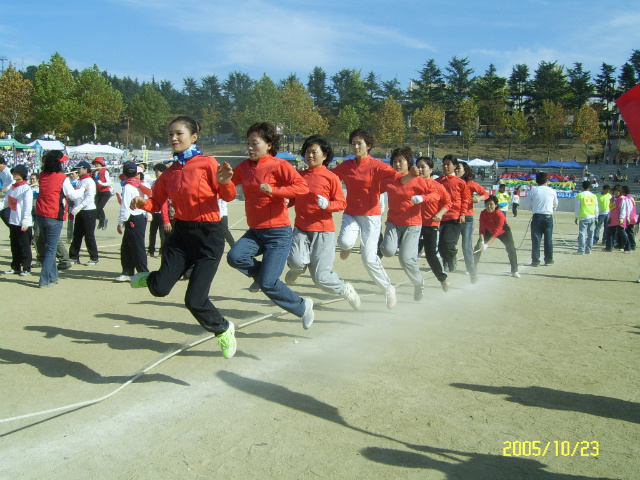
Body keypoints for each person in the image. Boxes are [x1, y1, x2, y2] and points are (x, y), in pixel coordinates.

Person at [129, 115, 237, 359]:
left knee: (194, 299)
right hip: (182, 234)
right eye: (170, 134)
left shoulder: (208, 163)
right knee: (159, 289)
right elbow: (156, 202)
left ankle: (223, 329)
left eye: (179, 133)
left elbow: (228, 196)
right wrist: (142, 203)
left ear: (194, 137)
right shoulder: (169, 173)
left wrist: (226, 182)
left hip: (209, 237)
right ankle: (153, 279)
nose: (173, 138)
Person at [227, 122, 315, 328]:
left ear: (269, 144)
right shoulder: (244, 167)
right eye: (247, 143)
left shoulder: (279, 165)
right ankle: (261, 274)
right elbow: (229, 187)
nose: (249, 147)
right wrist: (223, 181)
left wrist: (275, 191)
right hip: (256, 231)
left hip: (278, 233)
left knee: (268, 284)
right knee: (235, 257)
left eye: (254, 143)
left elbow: (302, 188)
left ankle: (302, 306)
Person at [331, 129, 409, 309]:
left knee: (369, 259)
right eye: (353, 143)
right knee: (343, 242)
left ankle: (388, 288)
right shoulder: (346, 165)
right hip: (351, 213)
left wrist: (411, 176)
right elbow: (329, 177)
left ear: (369, 146)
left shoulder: (377, 166)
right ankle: (346, 248)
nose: (356, 146)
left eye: (360, 143)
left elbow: (398, 179)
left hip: (371, 217)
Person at [284, 135, 360, 309]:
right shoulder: (298, 176)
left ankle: (344, 289)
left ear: (325, 155)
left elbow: (341, 203)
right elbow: (295, 197)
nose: (310, 155)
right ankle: (296, 271)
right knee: (295, 262)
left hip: (323, 230)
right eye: (307, 152)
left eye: (314, 152)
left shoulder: (331, 177)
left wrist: (328, 205)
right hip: (302, 228)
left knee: (320, 278)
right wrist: (288, 201)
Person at [380, 147, 437, 301]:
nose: (398, 164)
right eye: (395, 161)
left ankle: (419, 283)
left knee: (405, 258)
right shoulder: (389, 179)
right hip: (393, 222)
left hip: (412, 224)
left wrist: (422, 198)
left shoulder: (417, 180)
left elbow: (435, 194)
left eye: (401, 161)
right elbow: (373, 190)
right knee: (387, 251)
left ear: (409, 163)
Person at [35, 150, 86, 288]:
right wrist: (83, 189)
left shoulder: (42, 175)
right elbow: (72, 195)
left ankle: (53, 276)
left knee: (49, 247)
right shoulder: (61, 178)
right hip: (53, 215)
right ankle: (44, 280)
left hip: (41, 215)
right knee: (51, 249)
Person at [416, 157, 451, 291]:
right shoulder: (413, 183)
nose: (419, 169)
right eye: (417, 166)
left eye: (422, 167)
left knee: (431, 254)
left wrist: (440, 213)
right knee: (410, 255)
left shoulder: (437, 186)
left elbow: (448, 203)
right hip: (414, 224)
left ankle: (442, 278)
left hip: (431, 224)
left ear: (430, 169)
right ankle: (418, 282)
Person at [116, 162, 151, 282]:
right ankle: (127, 270)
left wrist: (120, 222)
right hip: (140, 217)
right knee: (127, 245)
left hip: (133, 217)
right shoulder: (141, 184)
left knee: (137, 246)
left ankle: (143, 272)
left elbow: (125, 206)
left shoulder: (128, 186)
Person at [454, 160, 488, 283]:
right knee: (449, 244)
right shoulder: (450, 183)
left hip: (467, 218)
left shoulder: (471, 184)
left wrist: (478, 198)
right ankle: (449, 263)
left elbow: (486, 194)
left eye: (459, 168)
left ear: (465, 171)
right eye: (455, 168)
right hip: (452, 218)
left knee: (466, 247)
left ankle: (472, 271)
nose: (456, 170)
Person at [435, 155, 470, 274]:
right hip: (439, 217)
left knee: (448, 243)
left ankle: (451, 257)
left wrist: (462, 214)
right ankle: (446, 262)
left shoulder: (460, 183)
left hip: (454, 217)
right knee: (440, 245)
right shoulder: (437, 182)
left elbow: (465, 200)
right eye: (444, 164)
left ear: (454, 166)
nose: (445, 166)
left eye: (448, 164)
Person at [474, 195, 520, 278]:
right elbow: (481, 229)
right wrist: (482, 241)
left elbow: (497, 232)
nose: (489, 206)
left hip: (503, 231)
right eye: (487, 204)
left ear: (496, 205)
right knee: (478, 247)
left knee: (511, 249)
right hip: (488, 230)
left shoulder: (500, 214)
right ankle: (472, 267)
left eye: (491, 204)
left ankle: (514, 270)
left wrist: (487, 245)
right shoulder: (483, 213)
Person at [2, 164, 33, 276]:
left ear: (22, 174)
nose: (14, 174)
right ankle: (15, 267)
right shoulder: (13, 187)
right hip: (13, 221)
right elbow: (5, 202)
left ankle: (26, 267)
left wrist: (25, 219)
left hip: (24, 222)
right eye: (14, 172)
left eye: (17, 172)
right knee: (14, 245)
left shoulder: (26, 189)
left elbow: (27, 206)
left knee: (24, 246)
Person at [67, 161, 99, 266]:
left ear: (85, 169)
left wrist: (80, 206)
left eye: (79, 169)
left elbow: (90, 197)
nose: (77, 171)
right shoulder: (80, 181)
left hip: (88, 211)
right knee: (77, 234)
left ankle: (94, 258)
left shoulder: (89, 181)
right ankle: (73, 256)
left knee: (89, 235)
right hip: (80, 211)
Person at [527, 172, 558, 266]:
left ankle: (535, 260)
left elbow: (527, 205)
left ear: (536, 180)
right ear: (546, 180)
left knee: (536, 240)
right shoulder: (552, 190)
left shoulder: (533, 190)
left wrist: (535, 208)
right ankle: (548, 259)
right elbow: (555, 204)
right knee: (548, 240)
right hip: (548, 216)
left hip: (537, 216)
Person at [147, 163, 172, 257]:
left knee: (163, 233)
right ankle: (151, 250)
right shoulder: (154, 183)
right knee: (152, 232)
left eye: (158, 171)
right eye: (155, 171)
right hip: (155, 211)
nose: (156, 173)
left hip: (163, 211)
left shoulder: (166, 182)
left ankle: (162, 251)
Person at [574, 180, 599, 255]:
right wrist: (596, 217)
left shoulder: (579, 195)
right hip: (592, 216)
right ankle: (589, 250)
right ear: (590, 187)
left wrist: (576, 217)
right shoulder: (594, 196)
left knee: (582, 234)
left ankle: (581, 250)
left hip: (584, 217)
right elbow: (596, 207)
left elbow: (577, 207)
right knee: (590, 234)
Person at [92, 157, 112, 230]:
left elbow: (109, 182)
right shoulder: (94, 172)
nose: (96, 165)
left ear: (101, 164)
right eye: (95, 164)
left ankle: (103, 220)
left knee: (100, 207)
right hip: (98, 192)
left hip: (105, 192)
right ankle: (101, 219)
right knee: (94, 207)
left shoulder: (104, 171)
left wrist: (101, 183)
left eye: (97, 163)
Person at [622, 185, 637, 251]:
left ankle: (632, 245)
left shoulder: (626, 198)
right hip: (632, 217)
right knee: (629, 231)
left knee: (629, 231)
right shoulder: (631, 198)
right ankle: (631, 244)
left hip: (629, 217)